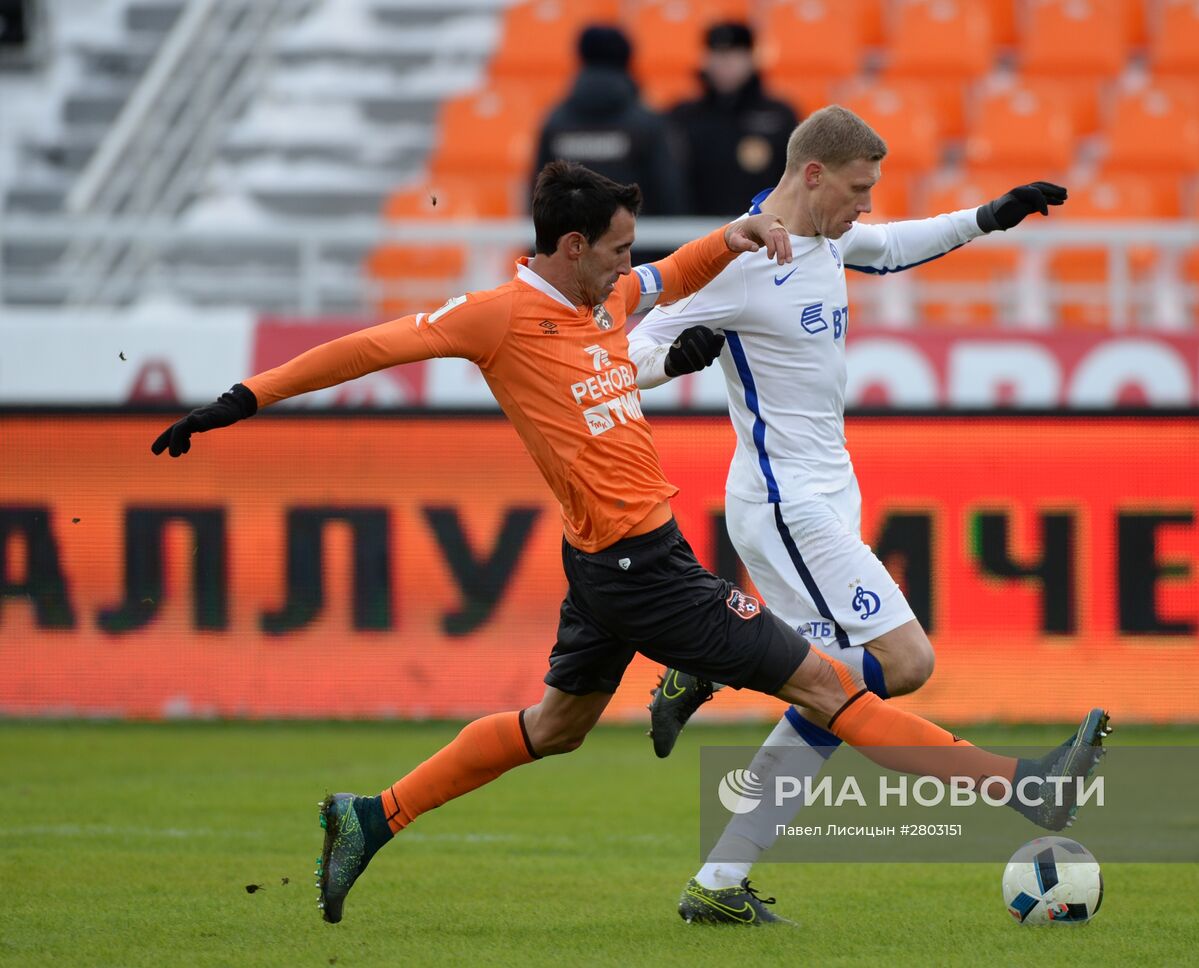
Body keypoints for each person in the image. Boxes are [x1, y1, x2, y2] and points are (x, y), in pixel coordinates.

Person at [152, 160, 1106, 928]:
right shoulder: (498, 318)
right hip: (640, 573)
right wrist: (239, 401)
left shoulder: (601, 300)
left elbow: (675, 276)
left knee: (555, 728)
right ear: (569, 247)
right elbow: (364, 349)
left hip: (612, 561)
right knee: (831, 685)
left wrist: (730, 238)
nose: (627, 268)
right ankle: (1021, 787)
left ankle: (370, 816)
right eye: (612, 251)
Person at [630, 105, 1087, 922]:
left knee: (830, 692)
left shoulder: (830, 238)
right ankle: (1020, 786)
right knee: (900, 664)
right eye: (858, 188)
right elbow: (623, 363)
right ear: (812, 176)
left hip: (831, 494)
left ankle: (719, 879)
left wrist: (992, 215)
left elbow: (896, 244)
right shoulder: (737, 259)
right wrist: (673, 358)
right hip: (783, 502)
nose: (866, 205)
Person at [534, 24, 689, 256]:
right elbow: (671, 197)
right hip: (635, 265)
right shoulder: (647, 123)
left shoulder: (556, 122)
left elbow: (537, 198)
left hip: (569, 265)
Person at [669, 21, 798, 217]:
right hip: (696, 236)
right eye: (718, 54)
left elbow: (793, 180)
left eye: (735, 54)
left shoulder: (779, 115)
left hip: (762, 237)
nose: (726, 63)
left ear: (751, 58)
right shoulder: (683, 116)